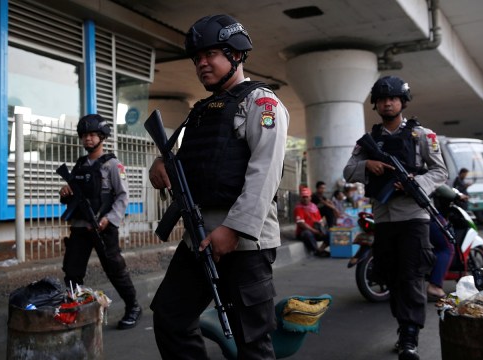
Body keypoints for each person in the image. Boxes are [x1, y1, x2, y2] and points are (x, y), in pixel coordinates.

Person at [148, 14, 289, 359]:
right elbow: (191, 159)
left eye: (210, 54)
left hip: (244, 243)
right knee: (170, 317)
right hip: (199, 236)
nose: (202, 64)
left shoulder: (261, 103)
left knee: (251, 341)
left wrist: (234, 229)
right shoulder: (201, 111)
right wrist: (162, 162)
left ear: (236, 54)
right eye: (197, 58)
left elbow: (264, 174)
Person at [343, 75, 447, 360]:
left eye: (393, 98)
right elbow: (348, 171)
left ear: (402, 102)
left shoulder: (422, 136)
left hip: (413, 216)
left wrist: (416, 183)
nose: (388, 103)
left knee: (412, 275)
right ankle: (404, 328)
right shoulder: (368, 141)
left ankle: (410, 335)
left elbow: (440, 172)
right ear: (375, 104)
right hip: (384, 217)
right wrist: (369, 164)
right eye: (382, 99)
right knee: (390, 275)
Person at [58, 114, 142, 330]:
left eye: (93, 134)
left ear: (102, 137)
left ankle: (133, 306)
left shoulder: (112, 165)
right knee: (73, 271)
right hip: (79, 227)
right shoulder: (78, 166)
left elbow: (123, 196)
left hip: (103, 227)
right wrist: (65, 192)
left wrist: (109, 219)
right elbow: (72, 196)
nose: (88, 139)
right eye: (85, 135)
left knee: (115, 269)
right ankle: (75, 310)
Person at [295, 187, 331, 257]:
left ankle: (321, 249)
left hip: (316, 230)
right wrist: (314, 231)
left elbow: (320, 221)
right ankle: (316, 250)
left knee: (330, 234)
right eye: (303, 197)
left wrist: (321, 230)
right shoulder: (298, 208)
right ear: (301, 198)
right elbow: (301, 223)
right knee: (307, 233)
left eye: (307, 197)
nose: (305, 199)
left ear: (310, 197)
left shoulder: (314, 206)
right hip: (304, 232)